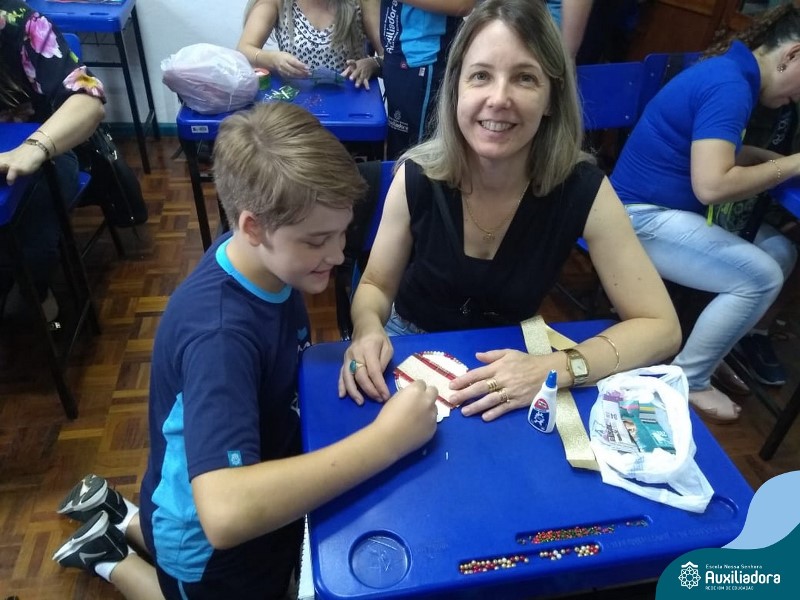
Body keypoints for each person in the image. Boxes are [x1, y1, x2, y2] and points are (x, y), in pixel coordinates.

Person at [51, 102, 439, 599]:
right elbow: (226, 514)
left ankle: (120, 515)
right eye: (318, 240)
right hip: (207, 553)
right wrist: (386, 441)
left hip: (245, 492)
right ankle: (107, 555)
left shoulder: (259, 260)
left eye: (343, 232)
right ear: (253, 227)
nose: (339, 253)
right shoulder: (219, 337)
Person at [338, 0, 681, 421]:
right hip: (409, 352)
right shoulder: (417, 175)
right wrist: (367, 329)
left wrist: (557, 367)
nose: (499, 99)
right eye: (481, 75)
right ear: (456, 88)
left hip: (514, 368)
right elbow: (376, 285)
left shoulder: (583, 189)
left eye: (524, 78)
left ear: (551, 97)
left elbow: (662, 326)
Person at [610, 4, 800, 423]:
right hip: (636, 218)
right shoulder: (730, 85)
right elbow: (712, 185)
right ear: (793, 54)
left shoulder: (732, 74)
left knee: (781, 251)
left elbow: (714, 153)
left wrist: (769, 159)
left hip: (666, 211)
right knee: (761, 277)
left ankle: (715, 349)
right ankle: (690, 378)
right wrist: (789, 164)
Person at [0, 0, 105, 323]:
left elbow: (88, 99)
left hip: (44, 151)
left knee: (33, 222)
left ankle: (34, 287)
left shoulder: (21, 23)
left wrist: (35, 146)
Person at [380, 0, 477, 159]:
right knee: (397, 151)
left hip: (424, 60)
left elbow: (463, 4)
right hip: (397, 56)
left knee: (418, 158)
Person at [237, 0, 382, 89]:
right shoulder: (276, 2)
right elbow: (243, 49)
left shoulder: (363, 2)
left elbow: (389, 55)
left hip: (351, 97)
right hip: (296, 97)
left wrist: (373, 63)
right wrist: (273, 59)